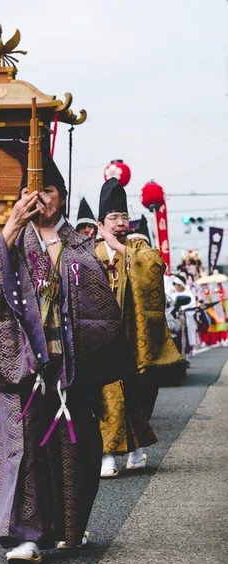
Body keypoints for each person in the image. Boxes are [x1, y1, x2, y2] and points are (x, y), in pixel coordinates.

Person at [0, 157, 132, 564]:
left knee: (75, 448)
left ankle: (68, 528)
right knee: (21, 447)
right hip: (21, 364)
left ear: (62, 198)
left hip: (68, 363)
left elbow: (101, 307)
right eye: (33, 193)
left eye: (50, 192)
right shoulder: (8, 242)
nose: (41, 200)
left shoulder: (80, 245)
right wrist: (10, 228)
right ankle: (25, 536)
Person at [95, 178, 182, 477]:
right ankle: (108, 453)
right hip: (102, 336)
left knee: (134, 392)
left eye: (123, 217)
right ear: (100, 222)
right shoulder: (91, 253)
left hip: (133, 334)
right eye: (112, 218)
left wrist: (121, 248)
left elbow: (155, 268)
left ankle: (135, 448)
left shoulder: (137, 246)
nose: (120, 223)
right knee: (105, 394)